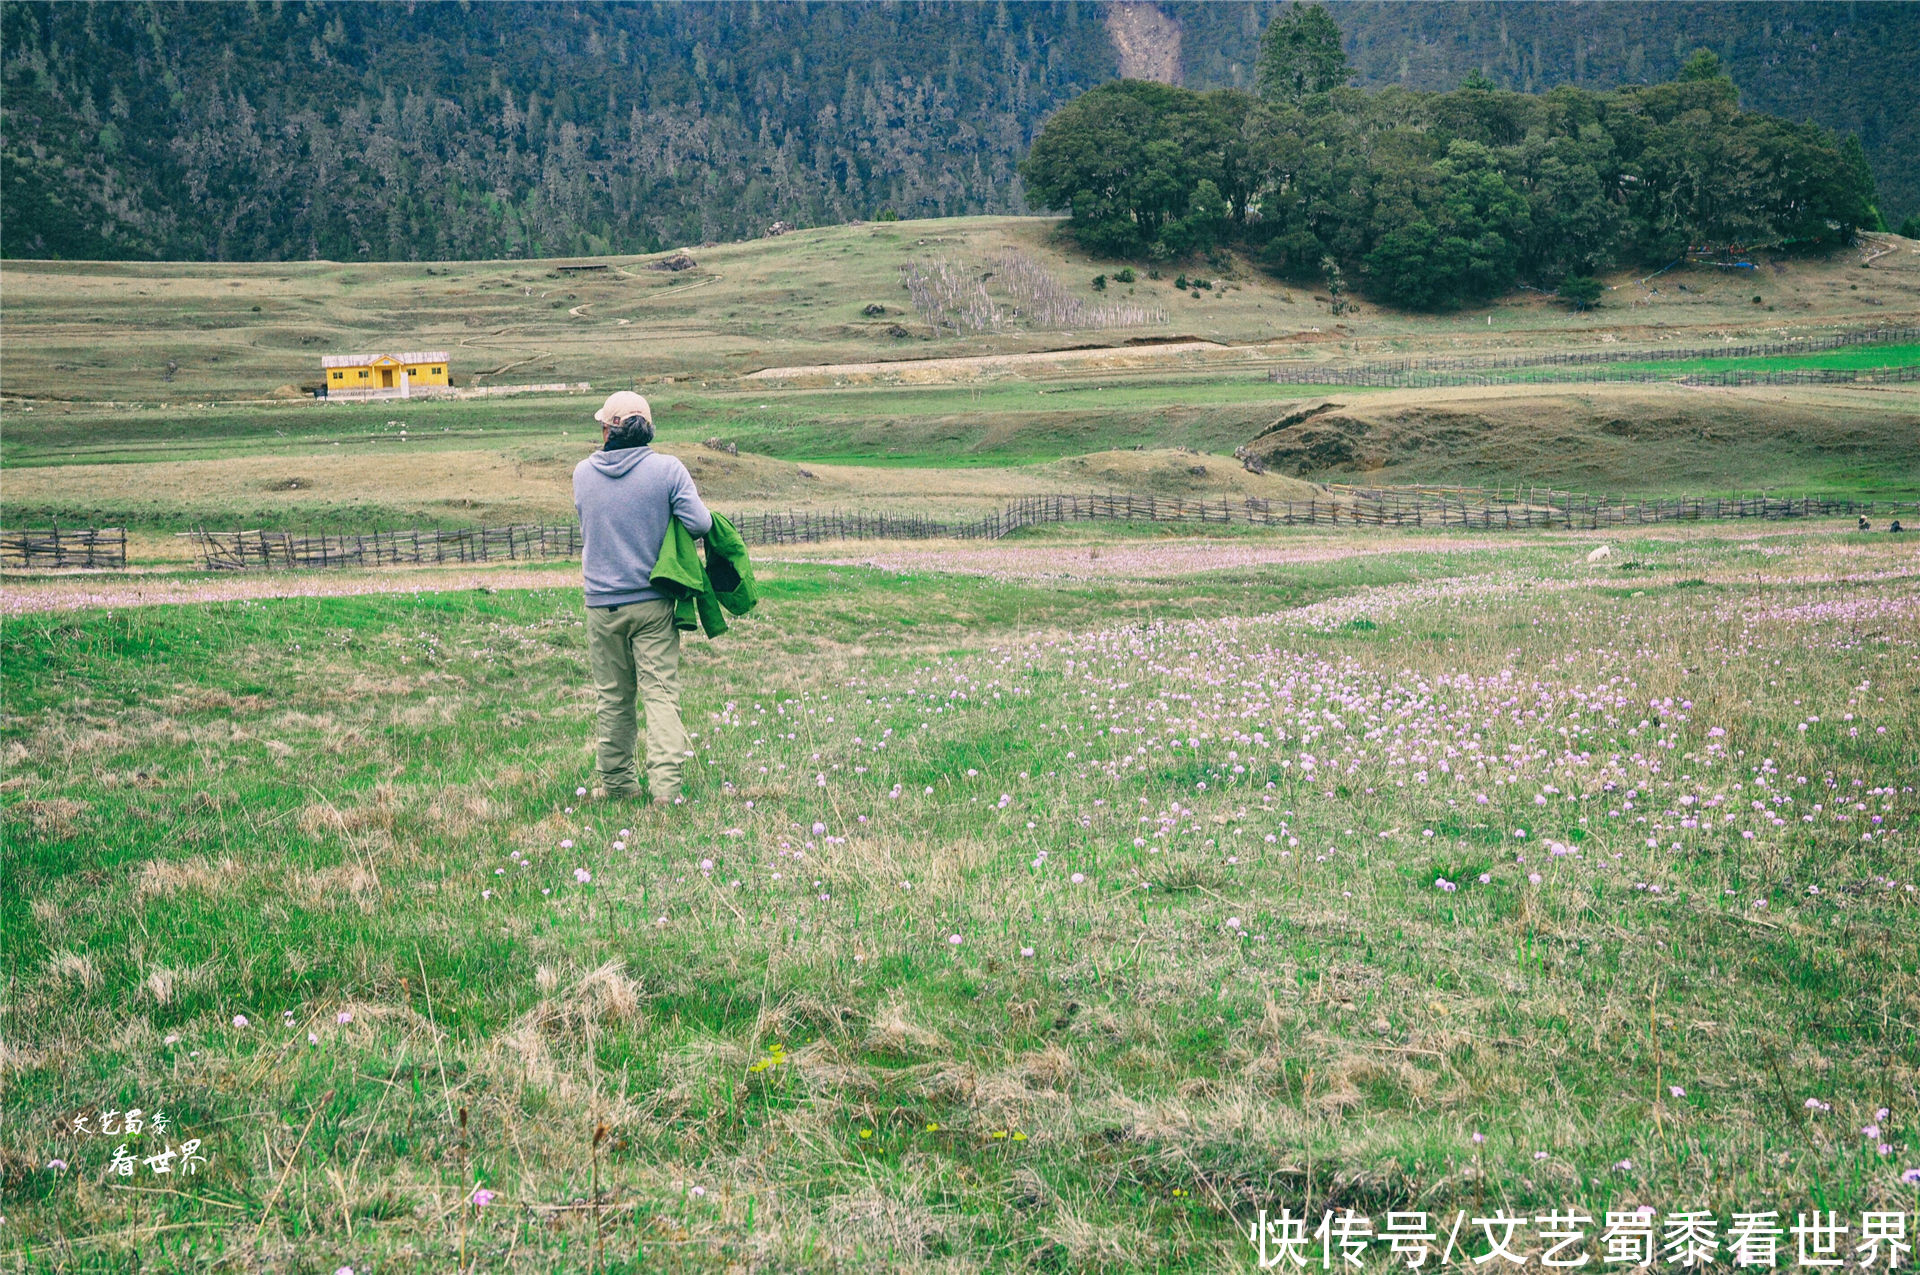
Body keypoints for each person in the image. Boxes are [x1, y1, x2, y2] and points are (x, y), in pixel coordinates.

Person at [573, 391, 712, 805]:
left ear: (606, 430)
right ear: (648, 430)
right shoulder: (668, 470)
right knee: (660, 695)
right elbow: (700, 523)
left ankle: (617, 785)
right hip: (652, 602)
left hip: (601, 603)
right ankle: (666, 791)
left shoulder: (582, 473)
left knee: (613, 697)